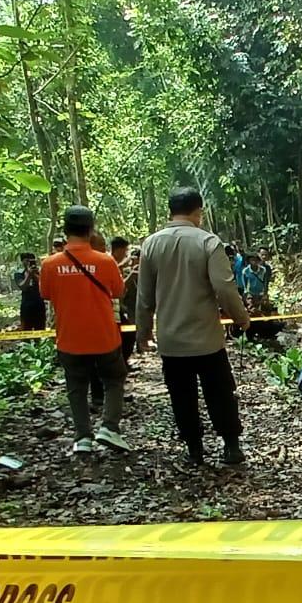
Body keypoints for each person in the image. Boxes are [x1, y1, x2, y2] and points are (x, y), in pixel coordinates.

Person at [137, 188, 252, 466]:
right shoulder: (208, 242)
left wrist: (143, 332)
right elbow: (224, 288)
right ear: (198, 211)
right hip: (207, 339)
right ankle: (231, 447)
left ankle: (194, 450)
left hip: (172, 341)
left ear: (170, 210)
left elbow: (144, 296)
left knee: (181, 396)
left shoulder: (151, 244)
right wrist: (241, 318)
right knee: (220, 393)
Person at [41, 206, 130, 455]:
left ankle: (83, 438)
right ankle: (109, 427)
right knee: (114, 380)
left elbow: (45, 294)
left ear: (65, 230)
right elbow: (118, 291)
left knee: (76, 388)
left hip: (69, 338)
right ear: (91, 230)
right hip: (104, 336)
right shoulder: (105, 261)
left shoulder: (49, 264)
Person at [110, 237, 137, 369]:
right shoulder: (109, 264)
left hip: (118, 307)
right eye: (125, 251)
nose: (126, 254)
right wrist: (131, 276)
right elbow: (118, 289)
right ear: (118, 250)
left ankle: (122, 362)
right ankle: (121, 363)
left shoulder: (116, 265)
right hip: (111, 308)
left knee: (127, 333)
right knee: (128, 334)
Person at [16, 253, 45, 330]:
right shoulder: (19, 273)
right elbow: (22, 287)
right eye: (27, 261)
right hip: (26, 305)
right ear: (22, 262)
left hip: (39, 304)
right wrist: (29, 275)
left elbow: (43, 284)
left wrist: (34, 274)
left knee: (40, 328)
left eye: (31, 261)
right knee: (26, 329)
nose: (29, 263)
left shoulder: (40, 272)